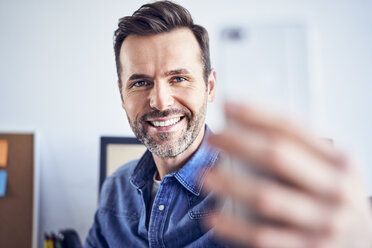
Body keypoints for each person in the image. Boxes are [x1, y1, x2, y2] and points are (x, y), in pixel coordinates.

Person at [85, 1, 372, 247]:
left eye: (179, 78)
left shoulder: (258, 189)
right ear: (122, 95)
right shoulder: (115, 190)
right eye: (140, 82)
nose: (160, 102)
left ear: (209, 87)